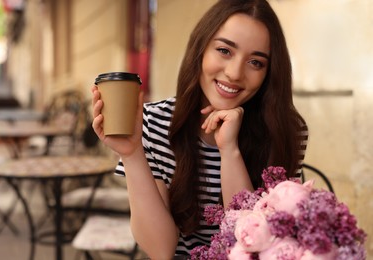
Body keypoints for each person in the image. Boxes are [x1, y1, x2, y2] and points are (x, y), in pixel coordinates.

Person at [91, 0, 308, 258]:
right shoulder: (154, 122)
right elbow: (161, 250)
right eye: (225, 50)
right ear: (201, 48)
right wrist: (132, 154)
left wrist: (230, 150)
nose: (235, 72)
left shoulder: (286, 130)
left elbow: (258, 246)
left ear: (269, 72)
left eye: (256, 62)